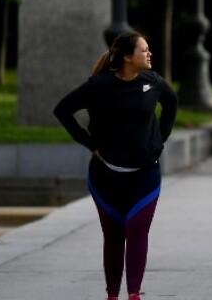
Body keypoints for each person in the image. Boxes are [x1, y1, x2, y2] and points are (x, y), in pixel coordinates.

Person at [53, 31, 178, 300]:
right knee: (113, 237)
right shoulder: (99, 86)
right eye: (144, 50)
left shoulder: (152, 82)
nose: (149, 54)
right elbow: (62, 110)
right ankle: (112, 295)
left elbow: (171, 103)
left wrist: (159, 139)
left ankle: (134, 294)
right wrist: (89, 144)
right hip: (106, 177)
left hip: (145, 176)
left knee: (137, 232)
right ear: (127, 57)